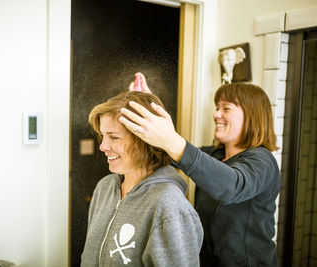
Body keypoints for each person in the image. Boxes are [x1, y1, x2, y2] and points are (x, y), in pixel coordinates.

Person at [121, 76, 281, 267]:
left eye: (226, 108)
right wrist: (148, 107)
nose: (216, 115)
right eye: (217, 107)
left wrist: (171, 140)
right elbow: (172, 152)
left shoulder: (263, 161)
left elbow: (232, 186)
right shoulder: (213, 155)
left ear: (252, 116)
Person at [81, 91, 203, 267]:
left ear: (146, 140)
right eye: (103, 135)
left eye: (114, 137)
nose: (103, 146)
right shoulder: (104, 187)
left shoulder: (169, 207)